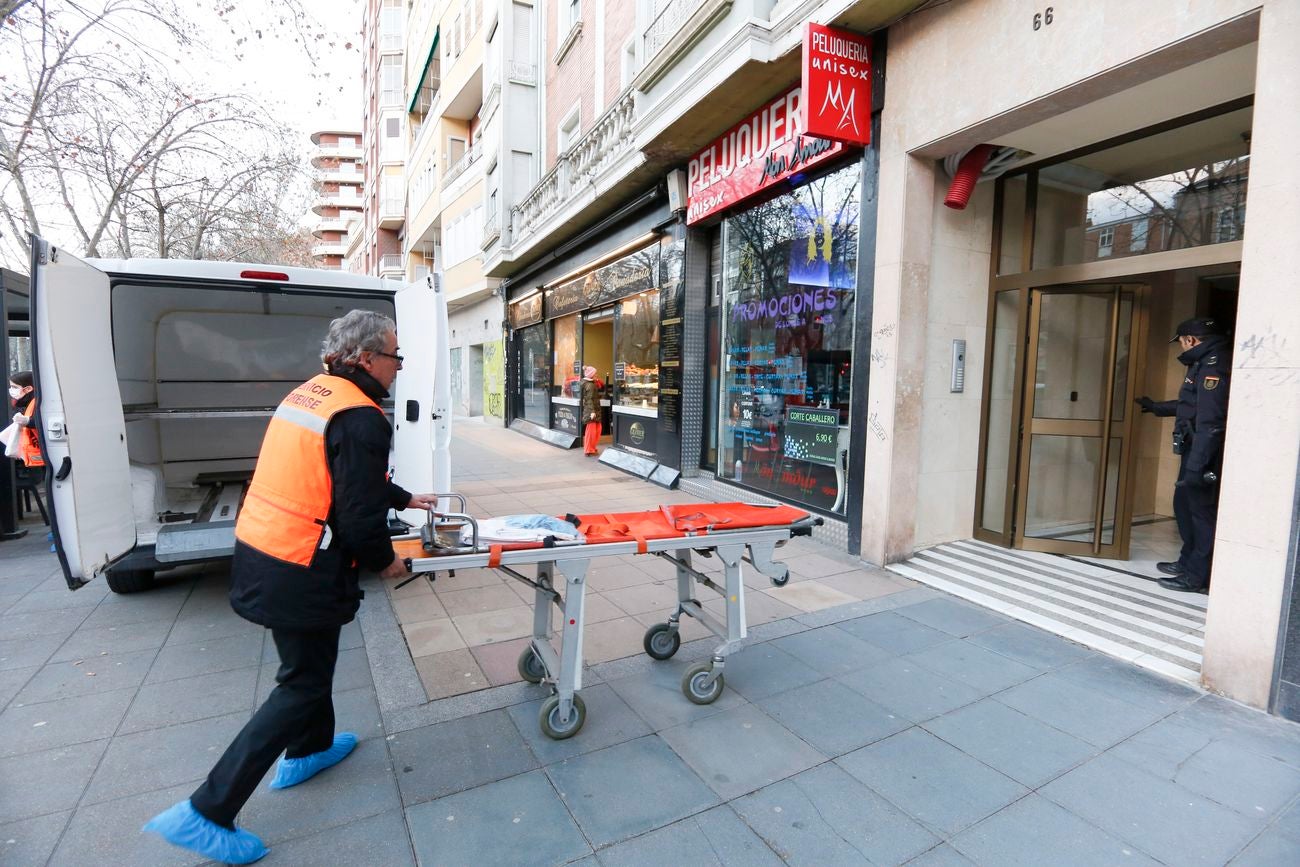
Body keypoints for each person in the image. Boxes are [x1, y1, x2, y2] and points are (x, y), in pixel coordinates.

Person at [144, 311, 439, 864]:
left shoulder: (312, 394)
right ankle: (206, 811)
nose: (400, 366)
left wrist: (403, 498)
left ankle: (309, 749)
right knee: (301, 683)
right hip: (302, 562)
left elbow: (336, 472)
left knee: (310, 662)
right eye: (396, 356)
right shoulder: (362, 416)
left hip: (263, 548)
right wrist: (386, 561)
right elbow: (355, 514)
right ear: (365, 359)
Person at [1136, 317, 1231, 594]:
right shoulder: (1202, 361)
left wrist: (1198, 463)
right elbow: (1191, 404)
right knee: (1184, 506)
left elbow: (1211, 421)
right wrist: (1157, 408)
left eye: (1180, 340)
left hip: (1204, 453)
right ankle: (1188, 561)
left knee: (1200, 513)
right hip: (1194, 448)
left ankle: (1197, 577)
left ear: (1191, 339)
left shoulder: (1215, 364)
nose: (1180, 346)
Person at [9, 370, 45, 469]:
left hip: (40, 454)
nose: (11, 390)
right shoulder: (19, 403)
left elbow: (43, 423)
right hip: (28, 454)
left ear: (28, 388)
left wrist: (28, 421)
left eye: (15, 387)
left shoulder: (38, 403)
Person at [580, 365, 601, 456]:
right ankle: (588, 449)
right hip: (592, 410)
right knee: (592, 431)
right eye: (595, 374)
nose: (596, 375)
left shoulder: (590, 383)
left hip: (593, 409)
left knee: (596, 430)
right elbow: (589, 399)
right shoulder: (590, 385)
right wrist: (592, 412)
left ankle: (591, 448)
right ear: (591, 375)